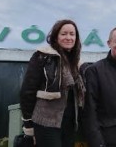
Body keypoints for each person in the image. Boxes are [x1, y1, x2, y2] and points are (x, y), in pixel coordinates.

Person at [20, 19, 85, 147]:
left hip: (69, 124)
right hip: (46, 124)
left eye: (72, 34)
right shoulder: (42, 56)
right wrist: (28, 126)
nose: (68, 37)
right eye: (64, 34)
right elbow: (27, 92)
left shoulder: (76, 63)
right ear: (55, 36)